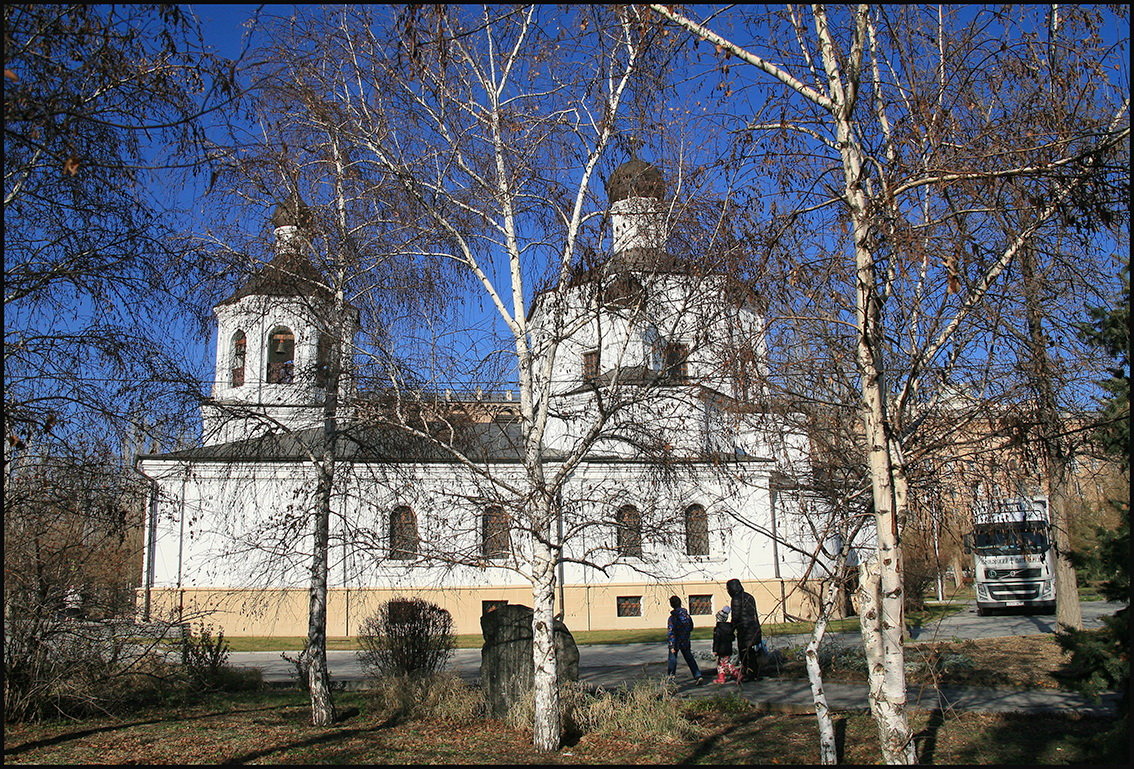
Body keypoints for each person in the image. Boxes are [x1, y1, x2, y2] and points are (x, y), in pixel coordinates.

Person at [726, 578, 762, 682]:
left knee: (744, 653)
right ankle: (754, 674)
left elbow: (736, 616)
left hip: (744, 630)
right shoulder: (749, 596)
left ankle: (748, 673)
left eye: (728, 588)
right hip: (754, 628)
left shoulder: (736, 599)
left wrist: (731, 629)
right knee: (751, 652)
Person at [666, 595, 703, 685]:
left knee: (672, 660)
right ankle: (697, 675)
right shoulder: (686, 616)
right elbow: (691, 627)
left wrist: (671, 645)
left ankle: (671, 679)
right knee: (689, 658)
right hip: (685, 640)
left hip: (675, 642)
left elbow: (671, 631)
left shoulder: (672, 618)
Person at [711, 606, 741, 684]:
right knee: (722, 664)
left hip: (721, 649)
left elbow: (716, 641)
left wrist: (715, 650)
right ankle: (721, 677)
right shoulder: (729, 628)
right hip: (728, 649)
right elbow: (732, 638)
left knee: (724, 664)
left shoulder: (718, 629)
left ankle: (736, 673)